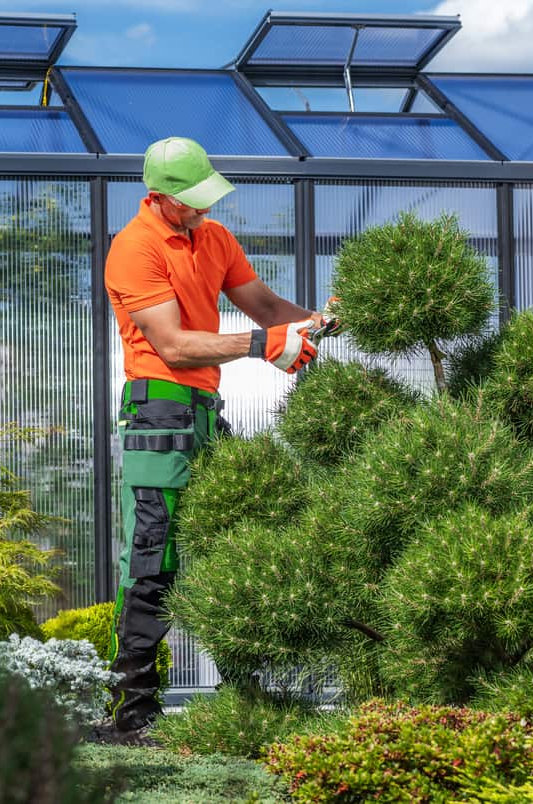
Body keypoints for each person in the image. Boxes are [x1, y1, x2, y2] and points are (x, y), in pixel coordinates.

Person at [104, 136, 325, 736]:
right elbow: (173, 347)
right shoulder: (134, 249)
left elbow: (263, 304)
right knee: (154, 558)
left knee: (232, 537)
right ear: (160, 197)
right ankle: (133, 717)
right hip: (158, 409)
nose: (204, 210)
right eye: (193, 201)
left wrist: (312, 322)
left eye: (207, 197)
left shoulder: (216, 238)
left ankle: (244, 698)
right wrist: (261, 347)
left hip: (204, 408)